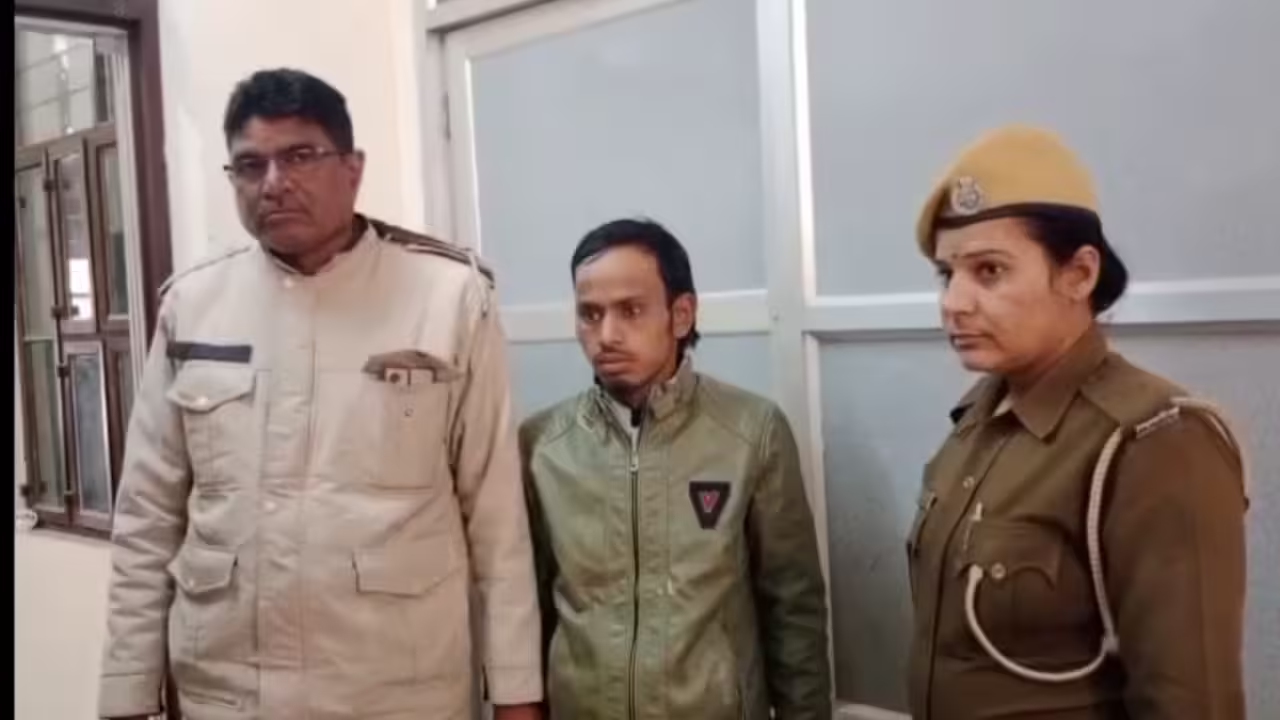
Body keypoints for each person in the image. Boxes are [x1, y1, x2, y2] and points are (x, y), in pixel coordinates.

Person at [96, 68, 543, 720]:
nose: (274, 182)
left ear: (353, 169)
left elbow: (497, 516)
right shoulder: (194, 306)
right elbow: (146, 519)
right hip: (228, 693)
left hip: (397, 693)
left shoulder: (447, 299)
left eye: (300, 156)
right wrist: (127, 692)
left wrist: (517, 694)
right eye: (250, 165)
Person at [906, 124, 1249, 719]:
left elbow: (1192, 702)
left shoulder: (1154, 440)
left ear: (1079, 274)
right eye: (946, 274)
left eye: (989, 271)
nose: (953, 302)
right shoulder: (977, 422)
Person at [518, 219, 831, 720]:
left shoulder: (751, 433)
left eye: (631, 310)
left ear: (681, 314)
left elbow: (794, 610)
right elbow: (522, 610)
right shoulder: (542, 447)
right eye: (590, 314)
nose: (606, 335)